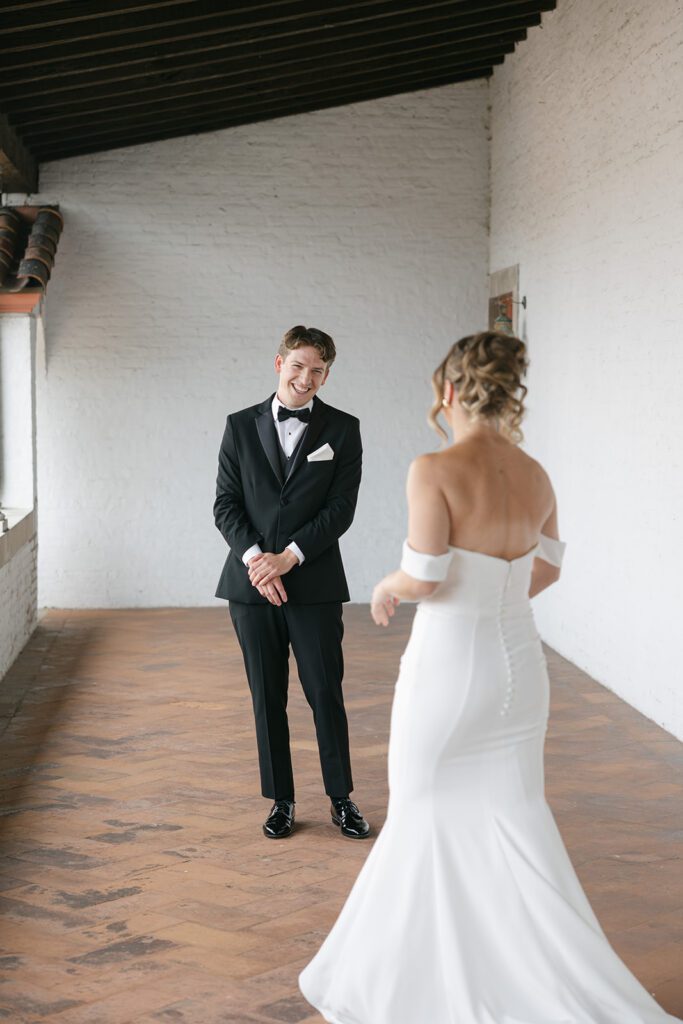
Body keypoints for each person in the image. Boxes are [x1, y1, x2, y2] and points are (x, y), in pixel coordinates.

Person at [299, 331, 679, 1023]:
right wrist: (494, 600)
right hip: (519, 677)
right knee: (516, 821)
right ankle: (529, 980)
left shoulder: (432, 468)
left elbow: (426, 575)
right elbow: (550, 567)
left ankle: (414, 987)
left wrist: (386, 586)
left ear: (448, 391)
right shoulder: (535, 475)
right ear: (506, 393)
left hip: (449, 673)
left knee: (421, 814)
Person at [213, 325, 369, 841]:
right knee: (267, 695)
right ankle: (281, 799)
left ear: (327, 375)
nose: (307, 378)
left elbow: (340, 510)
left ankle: (341, 798)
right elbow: (226, 506)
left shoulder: (344, 429)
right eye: (298, 365)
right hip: (250, 587)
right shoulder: (239, 427)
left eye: (318, 370)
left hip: (314, 582)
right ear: (278, 363)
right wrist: (260, 562)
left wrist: (290, 558)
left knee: (325, 691)